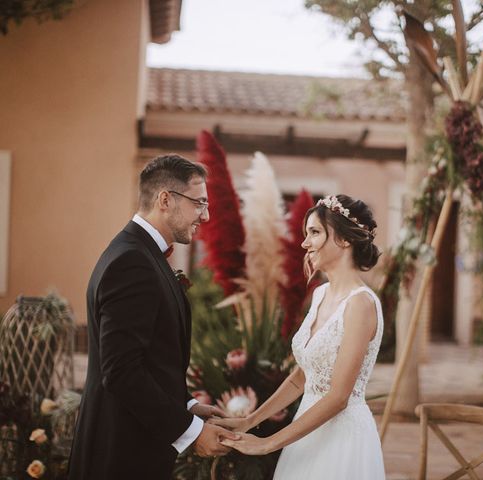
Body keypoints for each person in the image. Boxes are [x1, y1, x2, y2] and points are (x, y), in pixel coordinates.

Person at [68, 154, 237, 480]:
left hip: (132, 448)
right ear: (165, 199)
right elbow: (121, 371)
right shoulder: (132, 261)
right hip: (119, 457)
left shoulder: (139, 253)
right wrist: (190, 431)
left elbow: (149, 359)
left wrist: (187, 405)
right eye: (199, 203)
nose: (206, 214)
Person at [210, 194, 386, 479]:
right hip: (306, 431)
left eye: (314, 233)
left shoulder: (361, 304)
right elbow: (302, 377)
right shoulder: (319, 295)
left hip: (342, 440)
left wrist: (269, 443)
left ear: (343, 239)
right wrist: (251, 421)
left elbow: (339, 396)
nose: (305, 243)